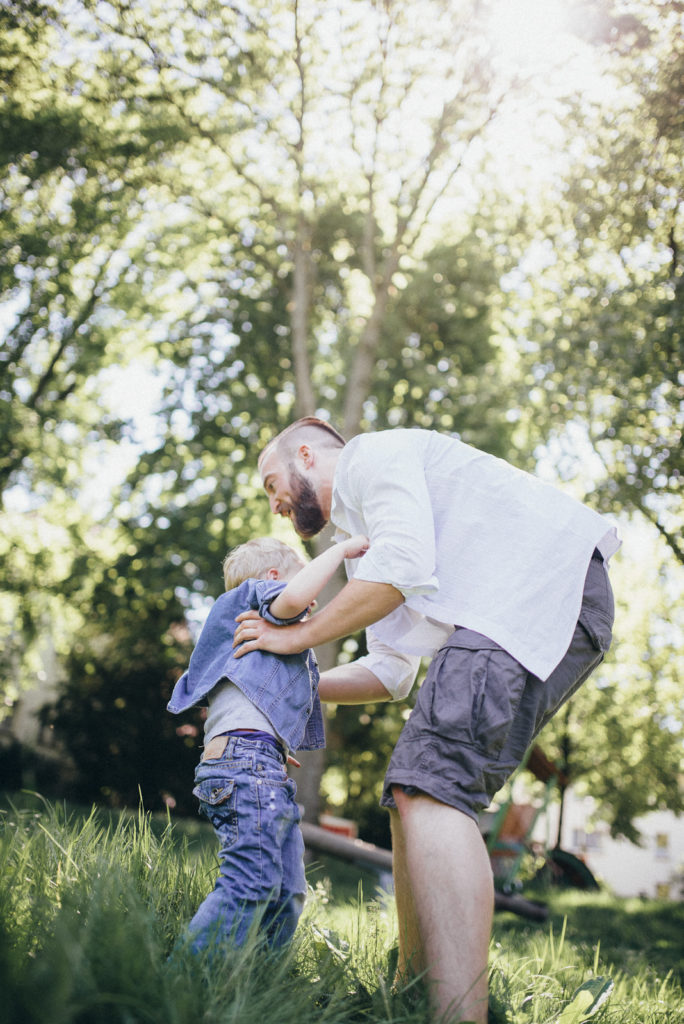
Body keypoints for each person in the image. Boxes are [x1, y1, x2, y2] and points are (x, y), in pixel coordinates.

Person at [232, 418, 620, 1023]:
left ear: (305, 453)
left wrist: (296, 639)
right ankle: (415, 997)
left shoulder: (373, 458)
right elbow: (390, 673)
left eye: (271, 481)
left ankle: (454, 1013)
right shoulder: (367, 549)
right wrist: (289, 687)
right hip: (525, 607)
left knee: (430, 787)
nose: (274, 501)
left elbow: (406, 567)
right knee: (410, 791)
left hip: (536, 591)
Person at [167, 532, 369, 952]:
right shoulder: (255, 595)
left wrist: (273, 743)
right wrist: (338, 551)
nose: (310, 597)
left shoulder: (261, 639)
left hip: (258, 761)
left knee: (286, 892)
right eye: (301, 577)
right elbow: (294, 599)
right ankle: (186, 977)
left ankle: (259, 981)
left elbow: (253, 694)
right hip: (246, 763)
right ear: (274, 577)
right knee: (252, 881)